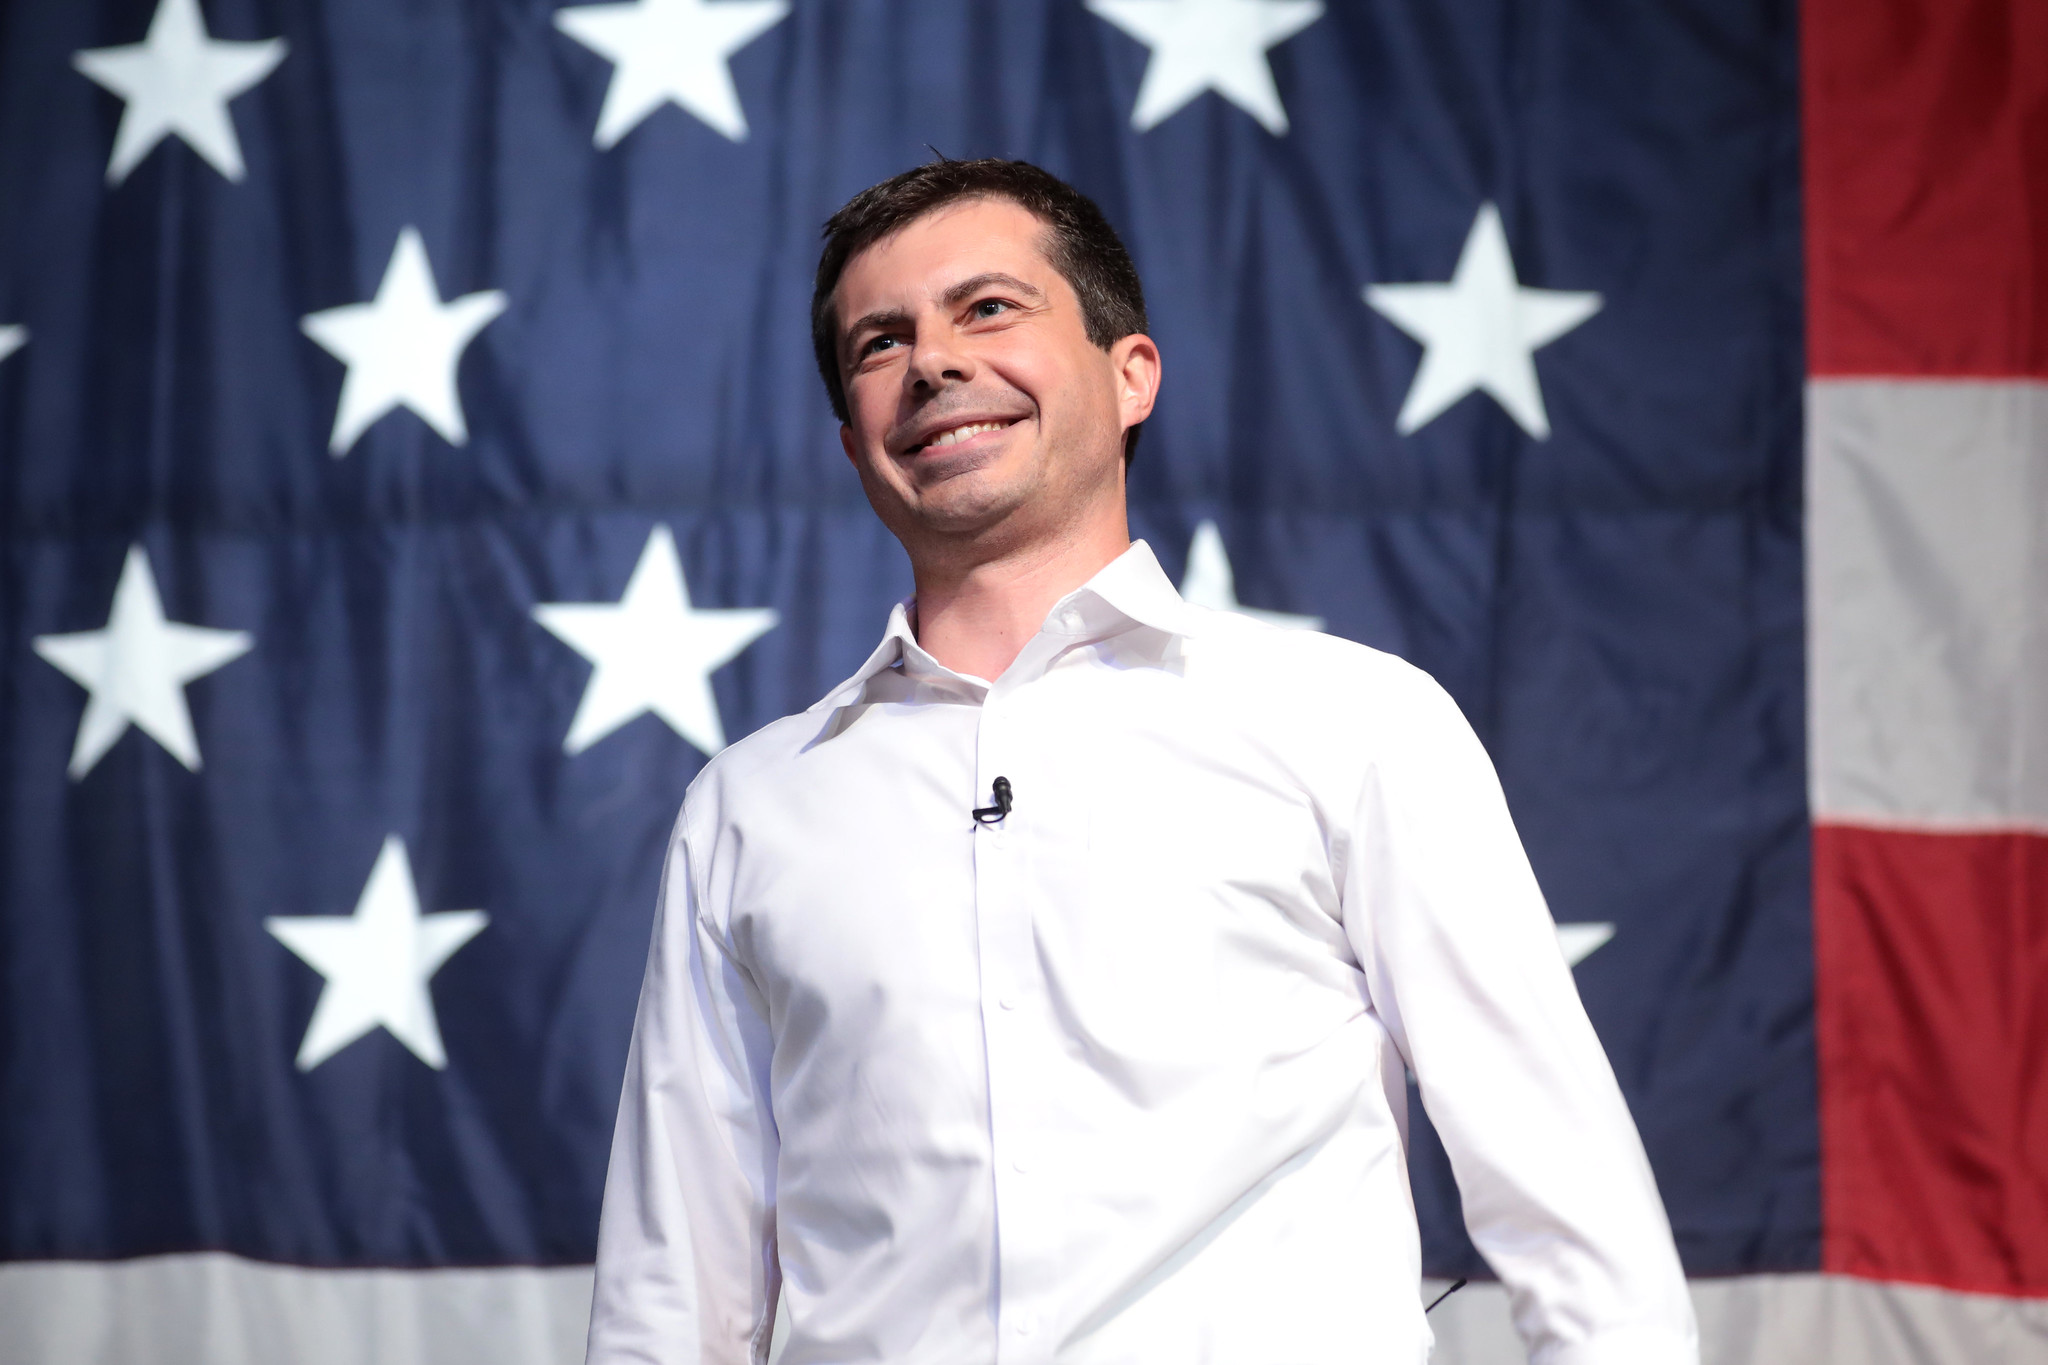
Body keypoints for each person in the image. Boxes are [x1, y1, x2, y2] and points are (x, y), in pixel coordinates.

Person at [584, 158, 1698, 1365]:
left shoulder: (1350, 722)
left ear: (1131, 378)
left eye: (989, 309)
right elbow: (670, 1295)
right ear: (854, 446)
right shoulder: (751, 807)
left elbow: (1574, 1226)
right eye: (879, 343)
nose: (935, 363)